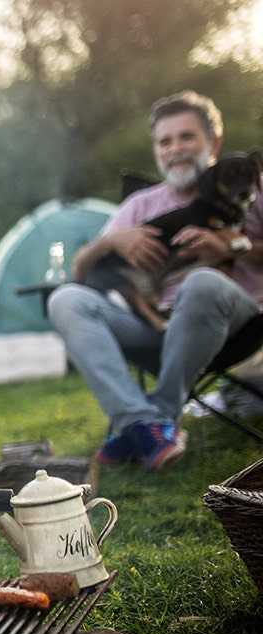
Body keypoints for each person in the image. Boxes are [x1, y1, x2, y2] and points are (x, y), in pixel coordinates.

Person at [49, 90, 263, 470]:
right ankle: (144, 424)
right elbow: (80, 271)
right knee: (65, 299)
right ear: (156, 150)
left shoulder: (252, 189)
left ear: (213, 141)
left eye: (186, 137)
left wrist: (232, 248)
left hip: (237, 324)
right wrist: (110, 241)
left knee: (202, 282)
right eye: (165, 141)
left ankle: (156, 417)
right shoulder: (140, 206)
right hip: (157, 323)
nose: (175, 149)